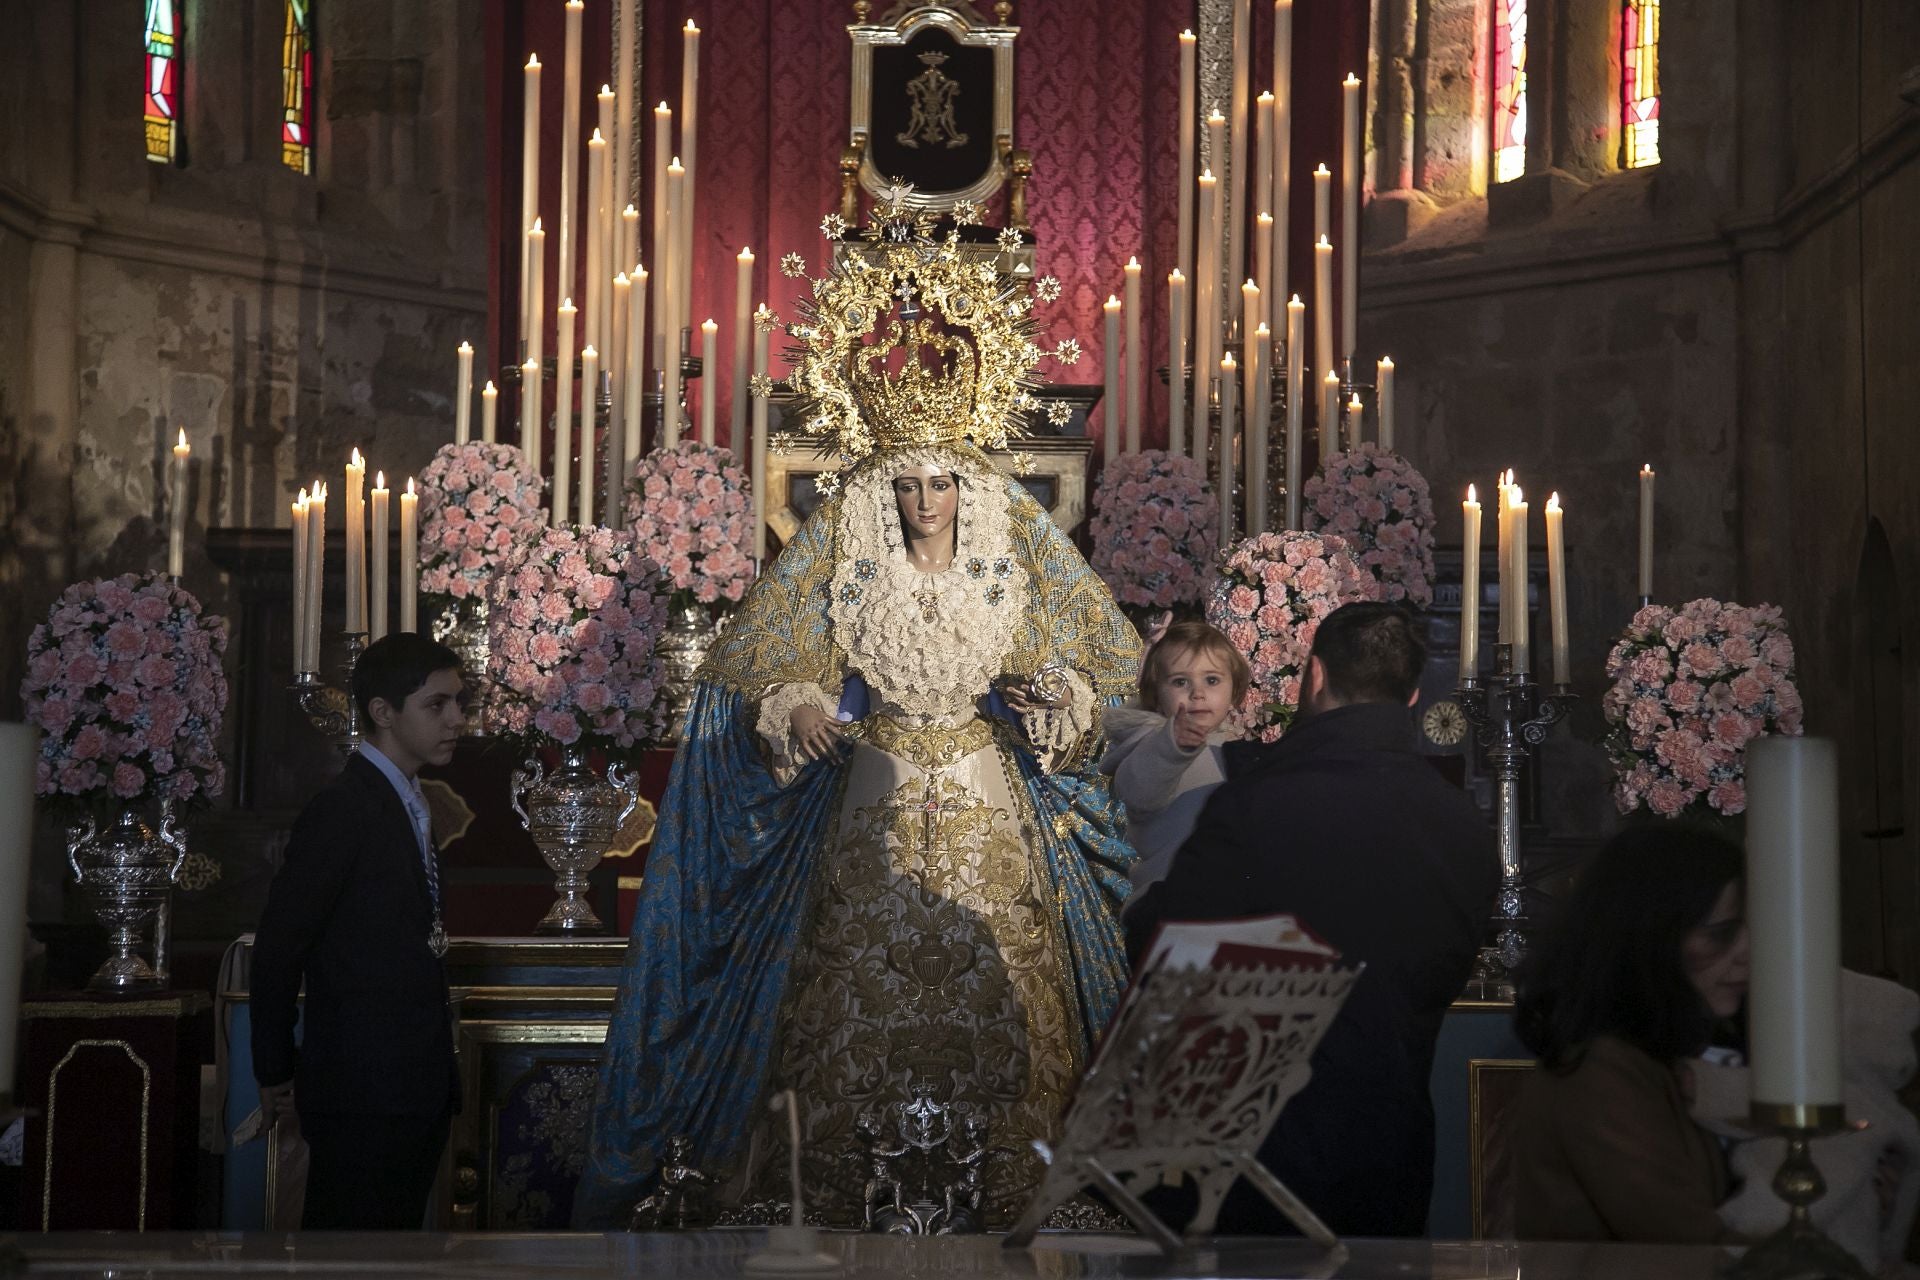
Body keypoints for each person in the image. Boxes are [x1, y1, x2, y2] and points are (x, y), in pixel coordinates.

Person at [573, 209, 1142, 1229]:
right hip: (869, 791)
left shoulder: (1015, 551)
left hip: (986, 794)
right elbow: (754, 670)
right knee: (845, 998)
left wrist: (1062, 697)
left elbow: (1103, 662)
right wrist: (795, 704)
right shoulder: (844, 551)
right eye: (910, 483)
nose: (928, 499)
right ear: (884, 488)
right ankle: (835, 1195)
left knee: (1005, 983)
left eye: (942, 482)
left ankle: (1015, 1193)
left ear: (970, 484)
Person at [1124, 601, 1497, 1237]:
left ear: (1315, 677)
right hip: (1389, 1148)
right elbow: (1447, 968)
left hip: (1246, 1158)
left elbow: (1164, 951)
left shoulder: (1252, 804)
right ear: (1412, 697)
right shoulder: (1459, 820)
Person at [250, 633, 466, 1230]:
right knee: (348, 1254)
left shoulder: (409, 799)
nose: (456, 720)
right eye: (437, 705)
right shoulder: (344, 807)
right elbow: (279, 944)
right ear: (382, 712)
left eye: (458, 703)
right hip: (361, 1092)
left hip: (410, 1089)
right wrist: (274, 1067)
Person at [1510, 825, 1749, 1243]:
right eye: (1720, 934)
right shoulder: (1600, 1072)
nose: (1747, 952)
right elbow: (1684, 1240)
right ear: (1651, 936)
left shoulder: (1668, 1050)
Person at [1100, 620, 1248, 900]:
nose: (1198, 693)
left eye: (1212, 680)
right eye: (1181, 682)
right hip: (1168, 901)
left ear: (1234, 691)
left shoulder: (1230, 747)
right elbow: (1137, 787)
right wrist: (1172, 745)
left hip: (1219, 899)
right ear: (1156, 697)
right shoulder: (1150, 742)